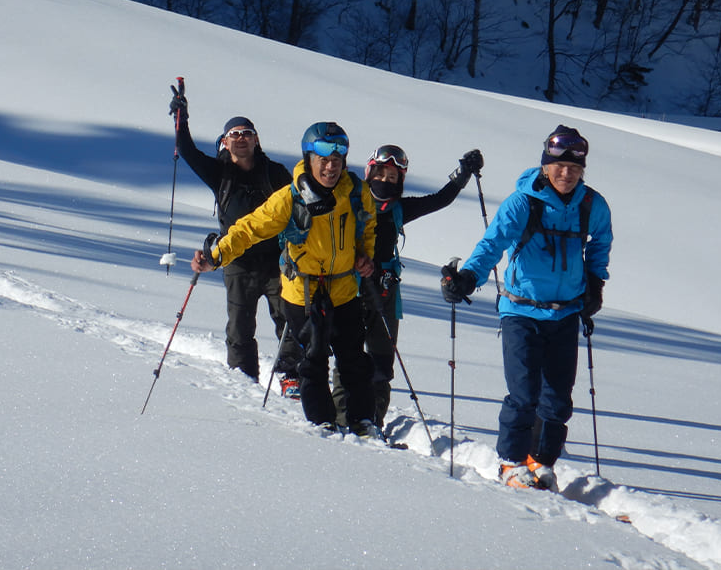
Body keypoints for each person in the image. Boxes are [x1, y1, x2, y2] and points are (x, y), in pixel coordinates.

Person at [440, 125, 612, 491]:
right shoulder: (523, 202)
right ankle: (511, 463)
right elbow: (493, 243)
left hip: (565, 313)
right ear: (546, 166)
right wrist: (469, 277)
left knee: (557, 399)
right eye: (559, 166)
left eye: (574, 167)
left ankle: (541, 461)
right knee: (524, 394)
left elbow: (601, 243)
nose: (566, 173)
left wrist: (595, 283)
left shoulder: (590, 205)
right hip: (521, 311)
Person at [192, 121, 380, 436]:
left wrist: (366, 257)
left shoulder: (358, 193)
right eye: (323, 159)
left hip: (345, 289)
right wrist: (217, 255)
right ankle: (322, 425)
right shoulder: (290, 198)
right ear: (309, 158)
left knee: (354, 363)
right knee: (313, 361)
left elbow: (368, 228)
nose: (331, 166)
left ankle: (363, 423)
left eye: (337, 159)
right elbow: (249, 227)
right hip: (302, 293)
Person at [333, 145, 484, 432]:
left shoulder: (400, 209)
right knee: (347, 357)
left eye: (393, 178)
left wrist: (463, 174)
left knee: (381, 361)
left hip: (385, 293)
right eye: (381, 174)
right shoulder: (349, 201)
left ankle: (372, 421)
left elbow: (440, 199)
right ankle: (342, 416)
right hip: (347, 289)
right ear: (370, 173)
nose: (386, 181)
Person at [168, 87, 299, 388]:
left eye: (247, 133)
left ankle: (291, 377)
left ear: (256, 140)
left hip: (277, 261)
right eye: (234, 134)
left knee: (290, 321)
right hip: (238, 261)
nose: (241, 138)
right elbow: (187, 151)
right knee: (240, 327)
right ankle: (244, 380)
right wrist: (181, 118)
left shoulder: (275, 172)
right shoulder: (219, 173)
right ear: (225, 143)